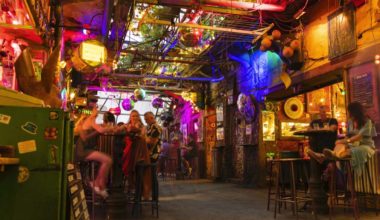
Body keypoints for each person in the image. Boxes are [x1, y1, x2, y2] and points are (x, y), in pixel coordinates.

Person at [309, 102, 377, 174]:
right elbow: (348, 135)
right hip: (353, 145)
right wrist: (342, 141)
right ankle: (329, 156)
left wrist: (345, 141)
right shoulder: (350, 122)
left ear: (354, 112)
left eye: (348, 112)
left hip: (365, 145)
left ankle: (324, 157)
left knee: (346, 151)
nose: (347, 113)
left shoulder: (368, 122)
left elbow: (358, 137)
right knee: (339, 145)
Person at [75, 99, 114, 199]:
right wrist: (109, 128)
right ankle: (97, 184)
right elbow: (100, 130)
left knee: (107, 160)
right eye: (96, 108)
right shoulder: (90, 120)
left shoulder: (89, 120)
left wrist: (102, 130)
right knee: (107, 160)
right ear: (92, 111)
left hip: (83, 149)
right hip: (82, 151)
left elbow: (87, 136)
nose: (97, 110)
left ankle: (99, 184)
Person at [115, 110, 151, 199]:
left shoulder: (142, 127)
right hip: (129, 151)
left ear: (139, 117)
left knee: (138, 168)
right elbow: (117, 130)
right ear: (130, 117)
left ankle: (137, 190)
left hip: (138, 152)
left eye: (136, 116)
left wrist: (136, 130)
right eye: (133, 116)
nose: (134, 118)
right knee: (124, 164)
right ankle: (130, 187)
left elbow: (143, 136)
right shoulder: (127, 126)